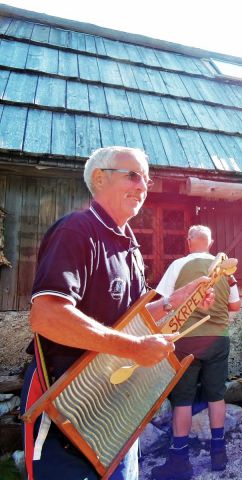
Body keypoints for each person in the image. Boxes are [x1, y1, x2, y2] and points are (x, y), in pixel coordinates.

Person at [20, 147, 214, 480]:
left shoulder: (129, 245)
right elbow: (46, 317)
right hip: (65, 404)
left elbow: (133, 318)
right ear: (100, 178)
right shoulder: (76, 231)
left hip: (114, 410)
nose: (143, 186)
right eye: (133, 175)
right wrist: (134, 349)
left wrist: (177, 300)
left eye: (147, 179)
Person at [151, 225, 240, 478]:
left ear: (189, 241)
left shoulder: (178, 266)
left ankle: (179, 458)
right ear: (210, 243)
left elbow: (162, 302)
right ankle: (218, 453)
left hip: (185, 340)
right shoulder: (225, 269)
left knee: (182, 399)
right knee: (216, 395)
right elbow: (235, 305)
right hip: (217, 339)